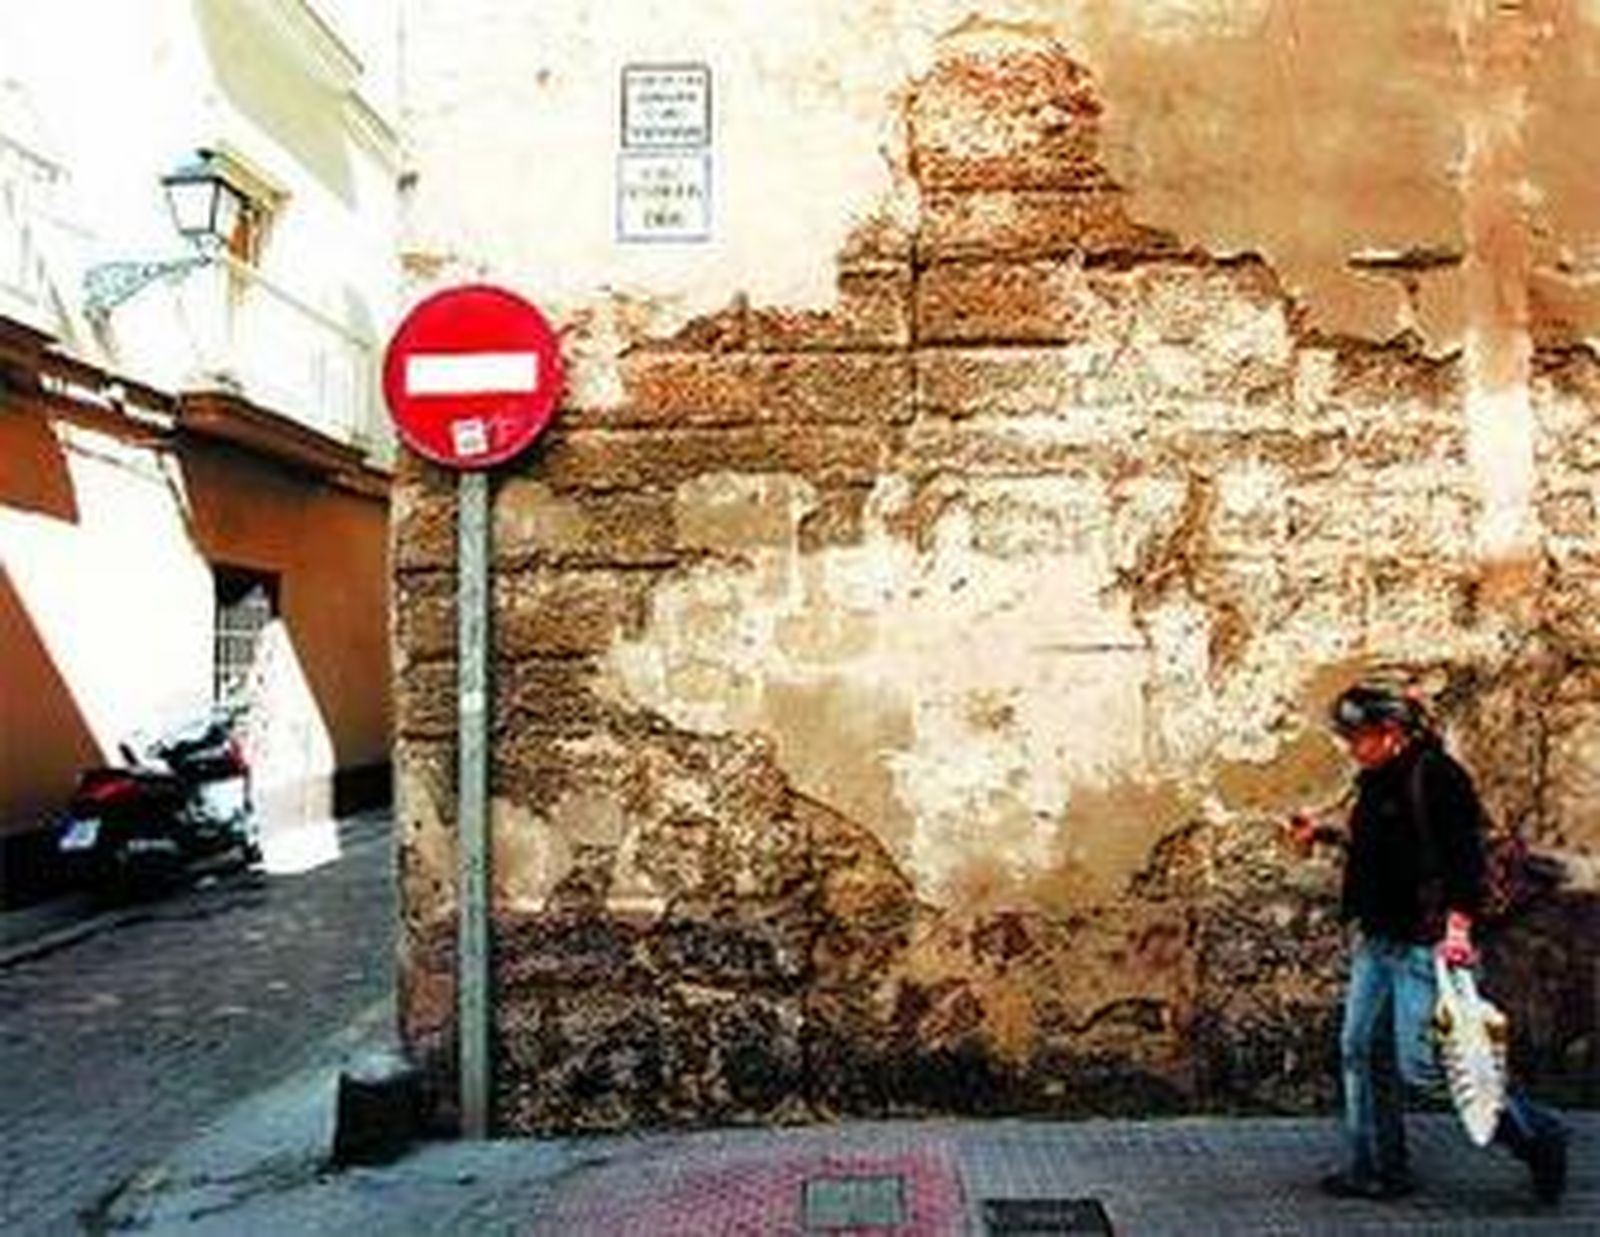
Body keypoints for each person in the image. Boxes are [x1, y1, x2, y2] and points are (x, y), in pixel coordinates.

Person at [1289, 683, 1568, 1203]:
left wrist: (1458, 929)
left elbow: (1465, 860)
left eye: (1359, 738)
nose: (1351, 747)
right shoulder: (1376, 778)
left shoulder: (1438, 777)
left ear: (1391, 735)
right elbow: (1386, 845)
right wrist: (1325, 834)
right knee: (1360, 1050)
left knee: (1430, 1066)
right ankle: (1377, 1168)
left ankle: (1537, 1134)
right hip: (1379, 938)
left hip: (1427, 943)